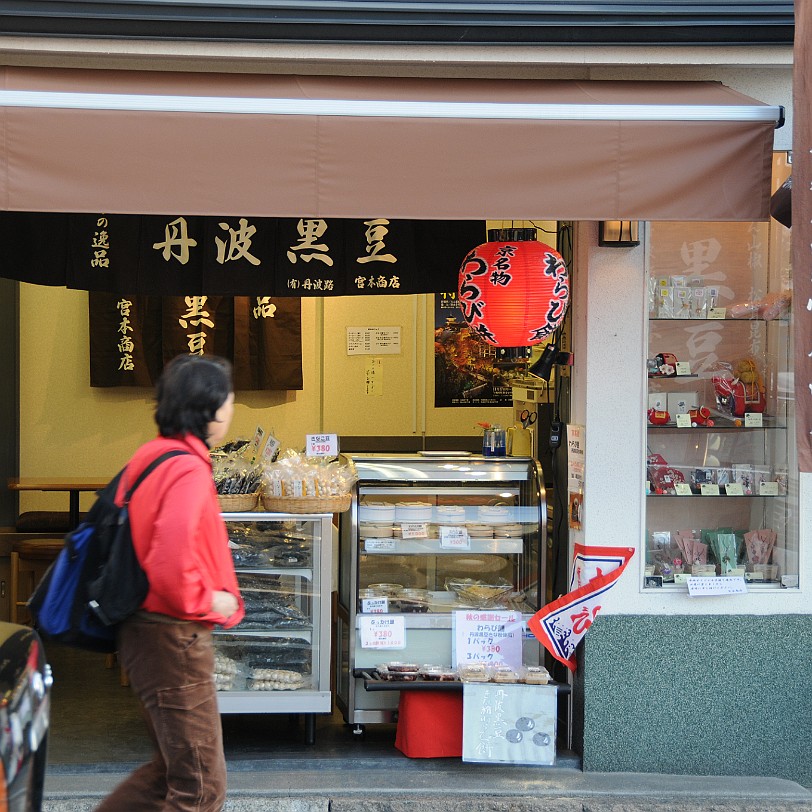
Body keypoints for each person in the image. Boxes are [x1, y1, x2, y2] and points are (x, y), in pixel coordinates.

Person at [95, 354, 245, 812]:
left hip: (144, 631)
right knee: (201, 788)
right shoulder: (188, 468)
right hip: (173, 634)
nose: (232, 405)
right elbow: (169, 558)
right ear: (210, 407)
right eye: (227, 397)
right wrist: (210, 598)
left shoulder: (151, 455)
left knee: (168, 772)